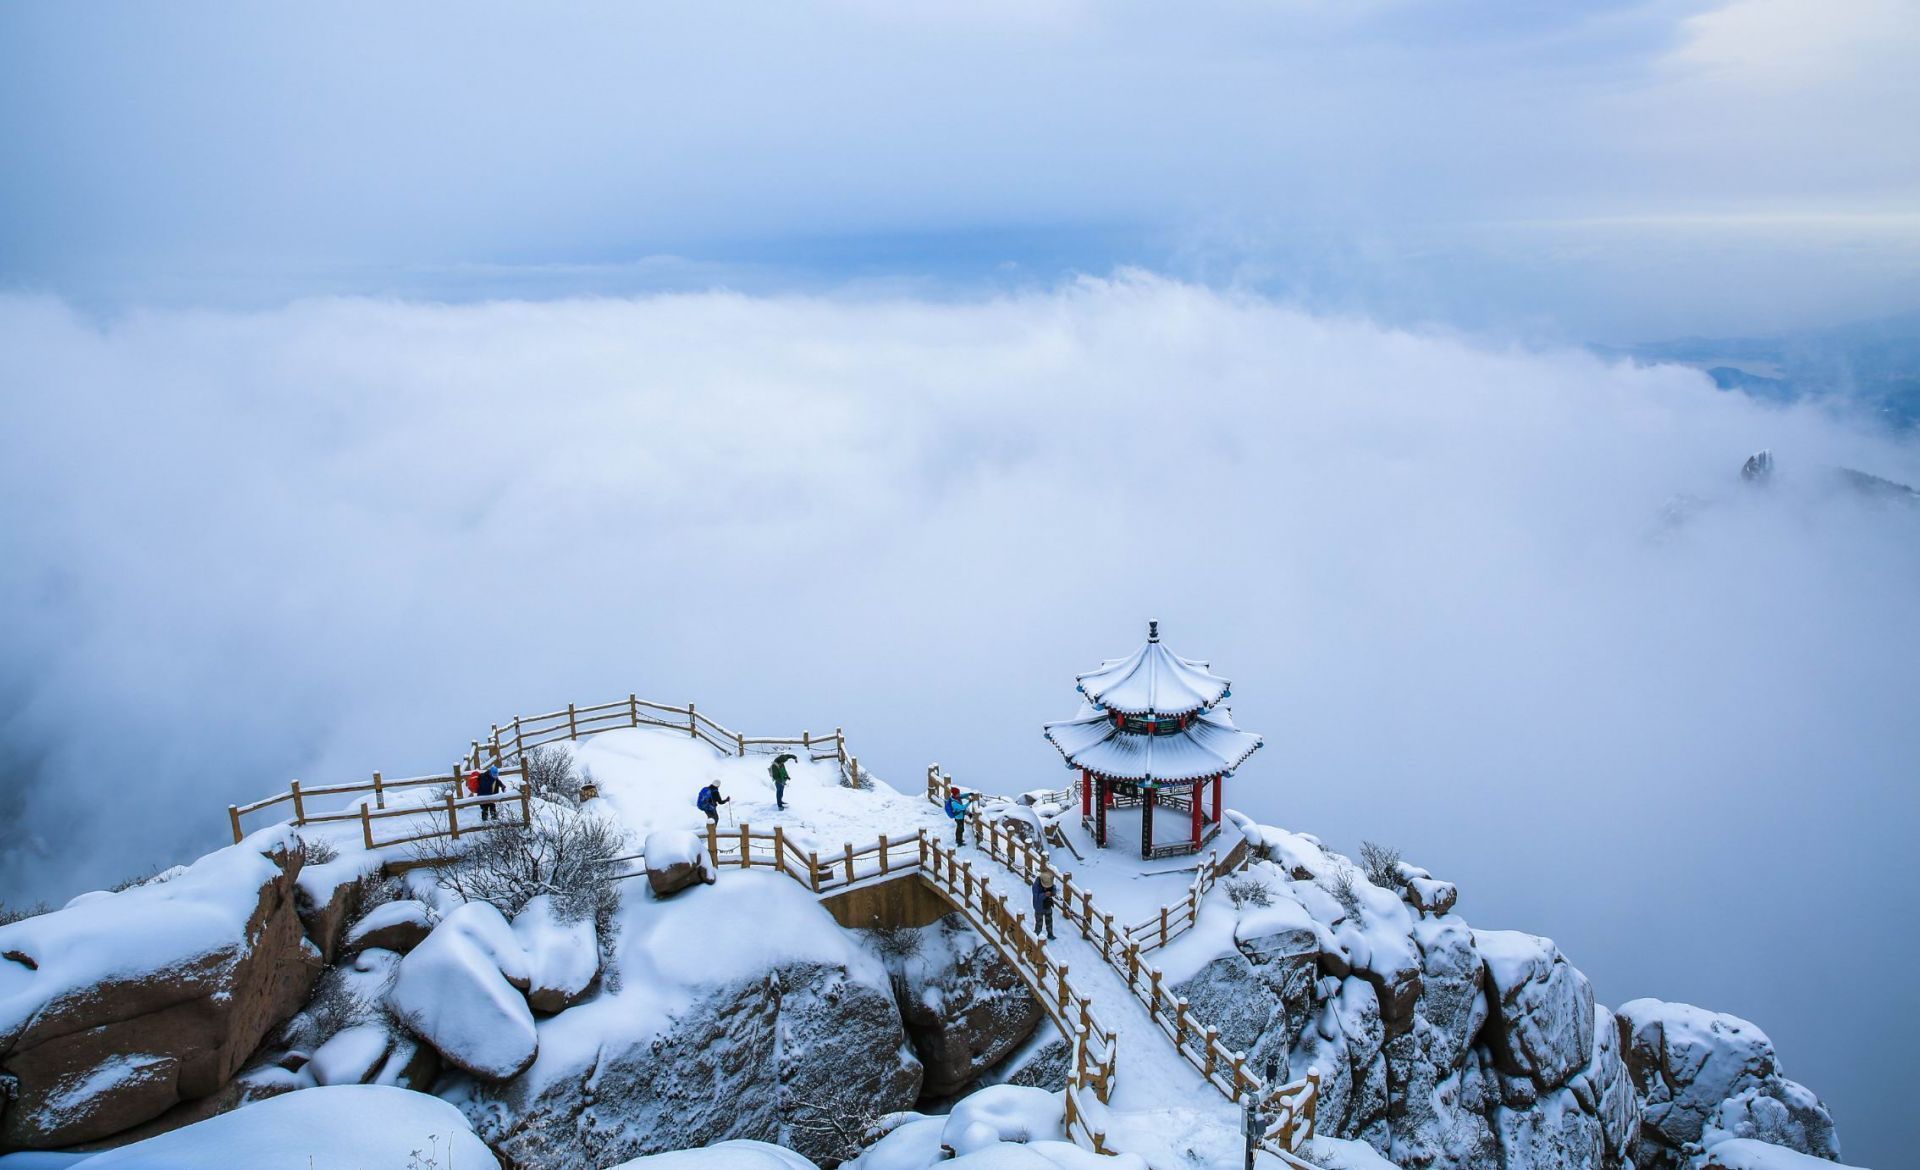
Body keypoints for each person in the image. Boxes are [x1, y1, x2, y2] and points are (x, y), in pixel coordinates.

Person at [1032, 870, 1057, 940]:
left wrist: (1052, 892)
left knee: (1049, 921)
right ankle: (1035, 937)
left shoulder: (1049, 880)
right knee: (1039, 923)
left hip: (1048, 905)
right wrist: (1044, 895)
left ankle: (1050, 934)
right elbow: (1036, 897)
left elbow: (1054, 888)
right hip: (1039, 907)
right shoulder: (1036, 885)